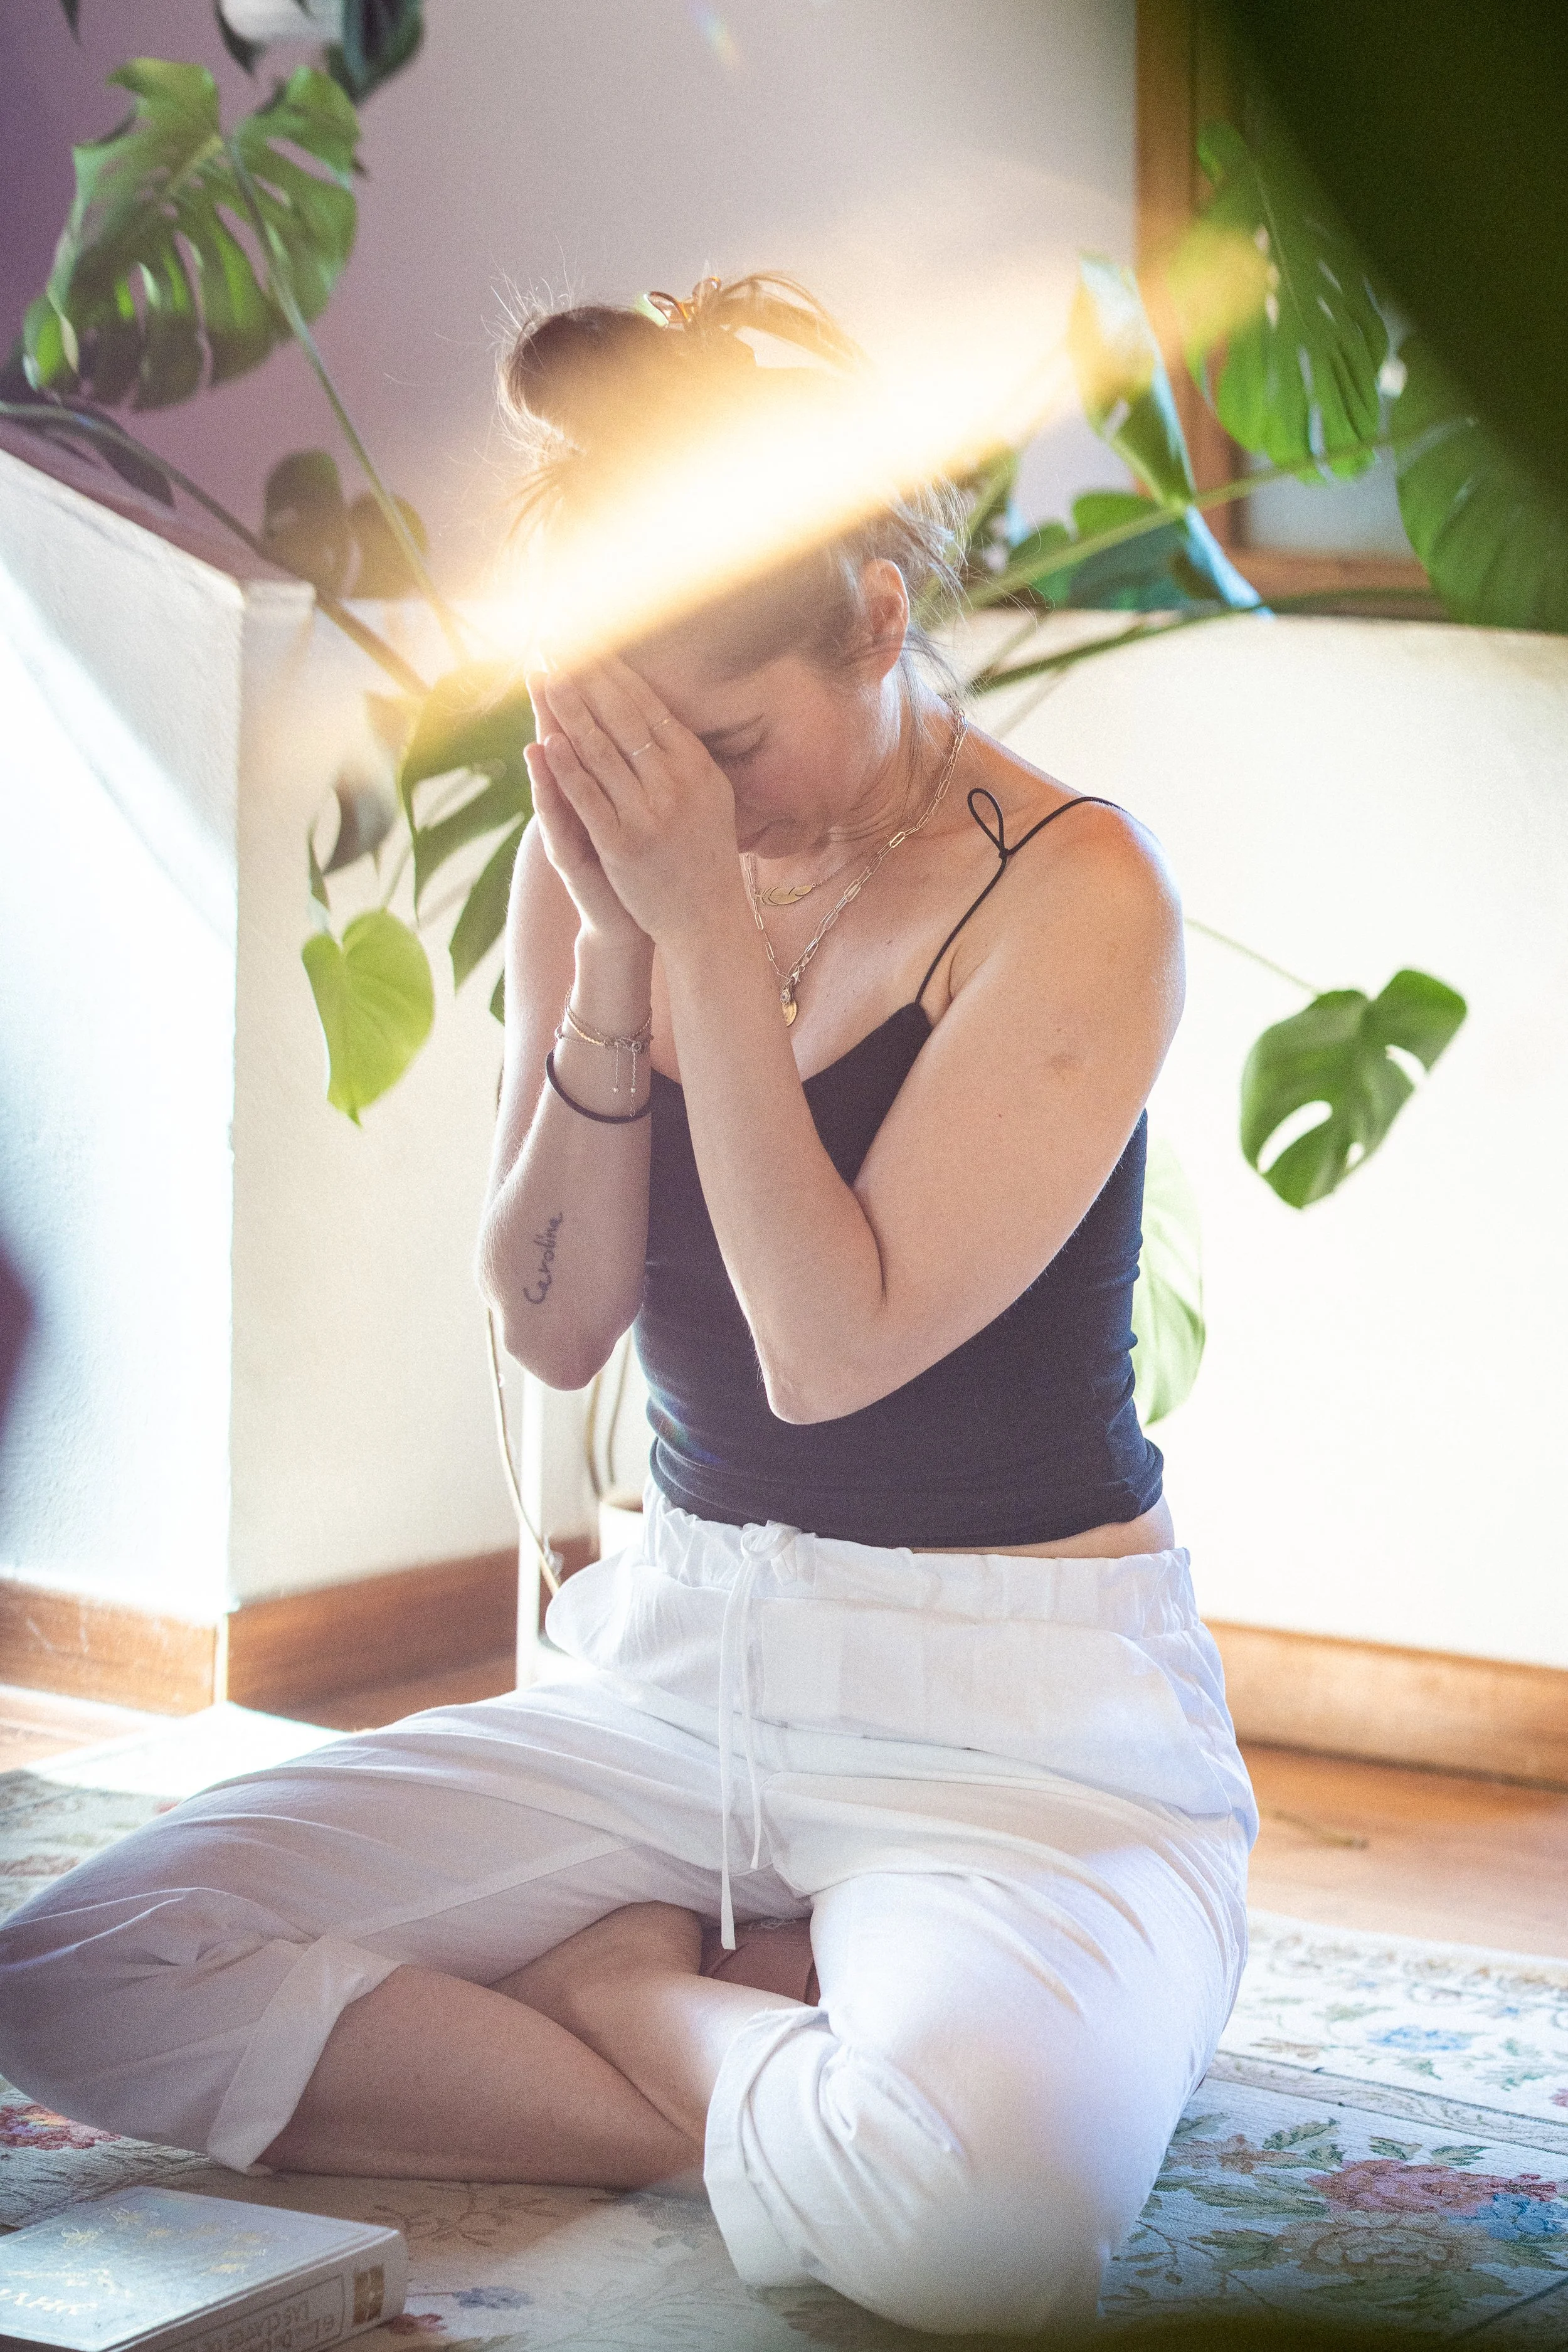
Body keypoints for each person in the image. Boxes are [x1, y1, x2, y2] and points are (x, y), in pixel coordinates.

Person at [0, 277, 1256, 2340]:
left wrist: (687, 924)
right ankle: (739, 2058)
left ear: (871, 619)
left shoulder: (1077, 894)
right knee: (81, 1966)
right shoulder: (623, 855)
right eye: (627, 743)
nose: (687, 799)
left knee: (988, 2232)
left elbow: (826, 1346)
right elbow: (556, 1322)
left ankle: (630, 1990)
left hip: (1020, 1735)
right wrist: (608, 955)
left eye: (730, 745)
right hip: (676, 1675)